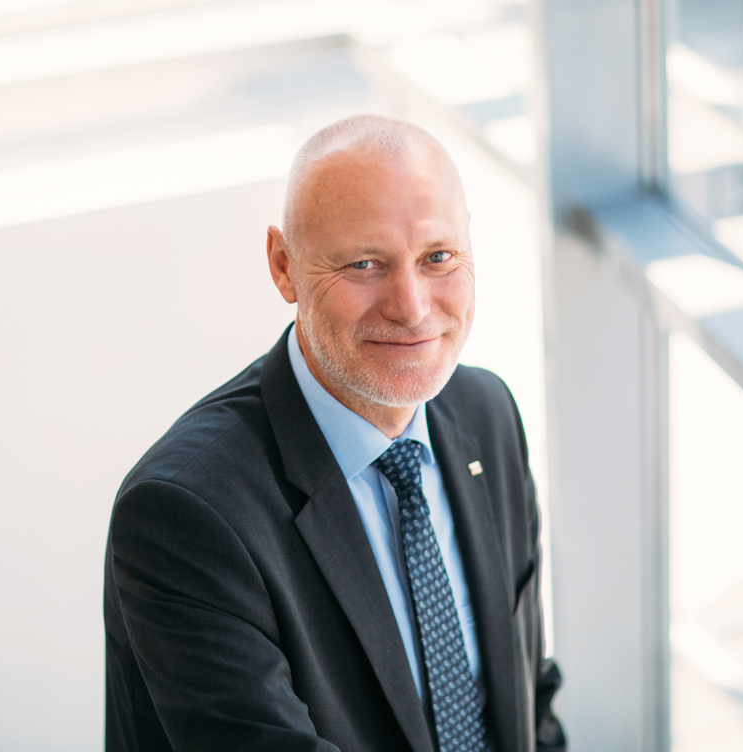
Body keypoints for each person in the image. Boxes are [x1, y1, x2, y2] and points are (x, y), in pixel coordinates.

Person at [103, 114, 564, 752]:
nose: (412, 307)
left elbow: (527, 699)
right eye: (365, 264)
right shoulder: (186, 512)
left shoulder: (487, 412)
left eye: (437, 257)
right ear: (283, 266)